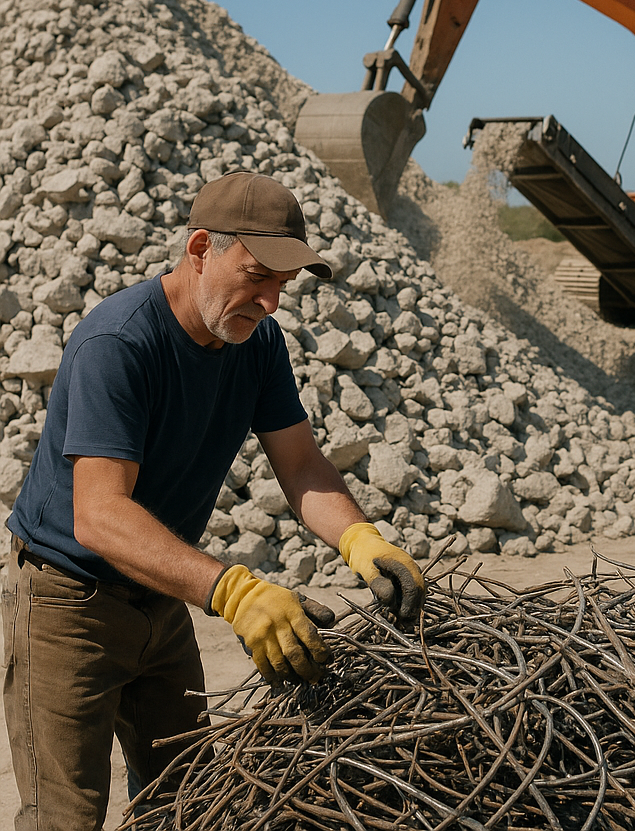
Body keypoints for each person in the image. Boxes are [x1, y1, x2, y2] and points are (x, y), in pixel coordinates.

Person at [3, 170, 426, 830]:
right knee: (63, 816)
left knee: (189, 798)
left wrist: (360, 540)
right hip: (69, 604)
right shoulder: (118, 345)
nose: (271, 303)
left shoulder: (257, 343)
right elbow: (100, 515)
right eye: (258, 276)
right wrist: (234, 592)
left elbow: (302, 463)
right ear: (200, 249)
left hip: (161, 594)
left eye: (282, 286)